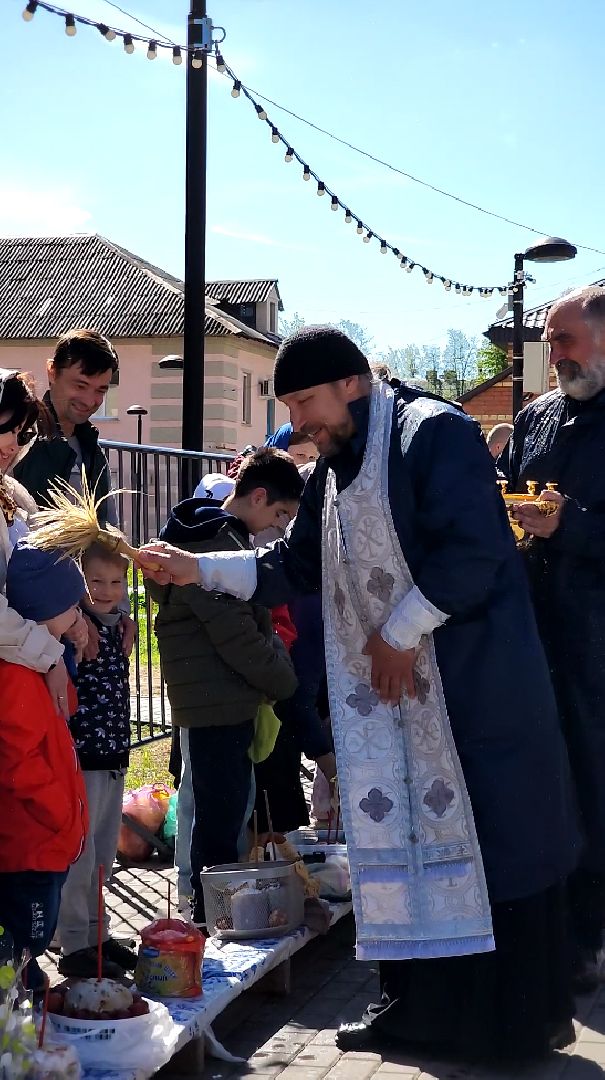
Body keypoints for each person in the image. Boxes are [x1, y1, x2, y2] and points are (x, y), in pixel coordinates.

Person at [139, 326, 579, 1063]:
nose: (299, 422)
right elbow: (293, 563)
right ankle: (410, 1011)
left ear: (351, 383)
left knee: (489, 849)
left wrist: (398, 633)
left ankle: (502, 1030)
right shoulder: (335, 467)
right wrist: (197, 568)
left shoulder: (431, 432)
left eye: (306, 401)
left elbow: (473, 550)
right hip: (397, 710)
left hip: (471, 694)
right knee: (397, 849)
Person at [500, 285, 605, 992]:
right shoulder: (535, 416)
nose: (553, 355)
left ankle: (585, 942)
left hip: (597, 645)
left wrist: (572, 526)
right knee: (543, 788)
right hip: (531, 636)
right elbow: (506, 496)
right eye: (549, 339)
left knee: (594, 791)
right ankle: (549, 936)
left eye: (563, 339)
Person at [147, 448, 301, 924]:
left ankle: (210, 911)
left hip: (216, 694)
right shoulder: (218, 544)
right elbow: (240, 634)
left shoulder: (207, 534)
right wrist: (283, 676)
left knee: (222, 807)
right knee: (220, 814)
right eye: (280, 515)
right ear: (257, 497)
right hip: (217, 696)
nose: (279, 527)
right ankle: (209, 920)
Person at [13, 328, 136, 660]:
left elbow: (104, 528)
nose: (91, 400)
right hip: (38, 610)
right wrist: (70, 612)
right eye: (80, 385)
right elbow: (23, 533)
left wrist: (120, 608)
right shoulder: (22, 440)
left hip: (89, 606)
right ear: (51, 371)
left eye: (101, 390)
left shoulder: (91, 447)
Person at [0, 539, 88, 993]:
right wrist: (57, 810)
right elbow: (18, 762)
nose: (78, 617)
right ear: (42, 609)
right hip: (31, 841)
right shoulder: (16, 675)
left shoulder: (41, 663)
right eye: (71, 607)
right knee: (25, 939)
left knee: (27, 943)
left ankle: (25, 1003)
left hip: (47, 837)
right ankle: (18, 1025)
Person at [56, 542, 135, 979]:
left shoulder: (118, 625)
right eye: (95, 581)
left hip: (113, 754)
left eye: (116, 581)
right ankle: (73, 942)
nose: (106, 590)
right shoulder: (75, 627)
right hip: (83, 756)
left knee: (104, 854)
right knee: (81, 856)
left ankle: (98, 935)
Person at [0, 368, 87, 717]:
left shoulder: (13, 493)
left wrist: (70, 613)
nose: (14, 445)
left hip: (21, 669)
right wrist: (48, 656)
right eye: (8, 428)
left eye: (23, 433)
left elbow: (40, 576)